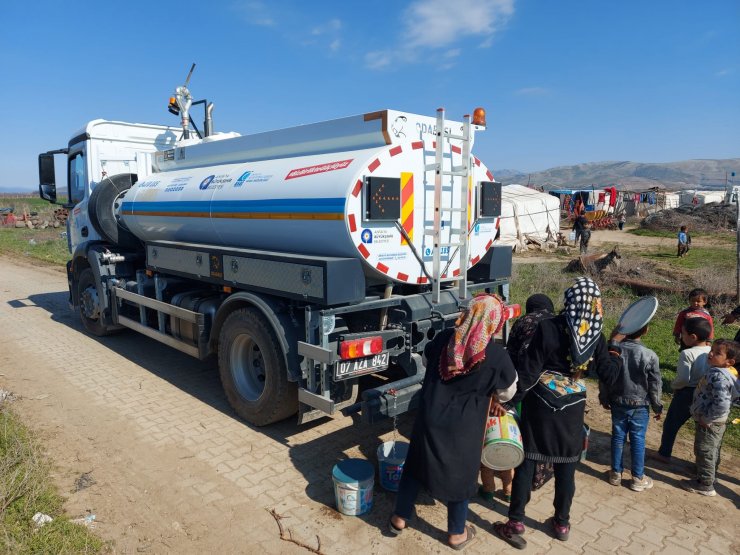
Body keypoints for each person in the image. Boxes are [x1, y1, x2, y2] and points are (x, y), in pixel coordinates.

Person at [493, 277, 622, 549]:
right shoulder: (595, 335)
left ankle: (515, 522)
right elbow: (609, 376)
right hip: (573, 408)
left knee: (527, 462)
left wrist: (508, 401)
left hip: (540, 404)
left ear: (569, 299)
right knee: (567, 468)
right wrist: (614, 351)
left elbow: (528, 372)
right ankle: (561, 523)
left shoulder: (548, 327)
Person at [389, 295, 518, 550]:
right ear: (493, 322)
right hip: (465, 428)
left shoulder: (443, 339)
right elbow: (507, 392)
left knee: (415, 465)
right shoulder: (495, 355)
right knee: (462, 476)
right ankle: (457, 534)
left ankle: (399, 518)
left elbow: (425, 362)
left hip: (429, 416)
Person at [479, 294, 556, 504]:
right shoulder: (555, 323)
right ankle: (514, 484)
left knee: (513, 430)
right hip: (549, 388)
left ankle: (489, 486)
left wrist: (505, 396)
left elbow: (511, 354)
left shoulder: (524, 322)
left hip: (520, 385)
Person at [599, 322, 663, 492]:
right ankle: (637, 478)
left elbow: (604, 376)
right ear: (647, 330)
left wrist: (603, 397)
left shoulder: (614, 350)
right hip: (640, 405)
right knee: (638, 439)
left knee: (618, 437)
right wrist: (658, 406)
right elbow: (655, 384)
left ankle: (615, 474)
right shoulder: (650, 355)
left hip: (617, 402)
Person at [681, 339, 740, 496]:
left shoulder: (720, 377)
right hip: (714, 421)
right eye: (711, 349)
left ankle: (705, 484)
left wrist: (707, 419)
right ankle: (706, 473)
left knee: (705, 450)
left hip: (710, 422)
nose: (711, 353)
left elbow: (722, 404)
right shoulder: (720, 372)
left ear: (729, 361)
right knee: (712, 450)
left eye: (718, 353)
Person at [655, 318, 712, 463]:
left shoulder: (687, 354)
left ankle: (664, 453)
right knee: (701, 429)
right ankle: (701, 464)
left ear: (693, 337)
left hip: (687, 393)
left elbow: (683, 379)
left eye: (683, 333)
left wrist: (674, 387)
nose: (681, 336)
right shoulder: (713, 352)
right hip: (706, 394)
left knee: (671, 424)